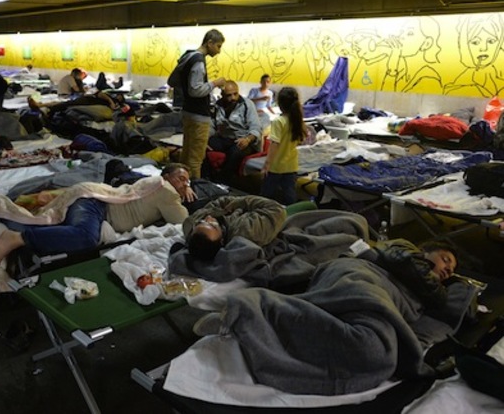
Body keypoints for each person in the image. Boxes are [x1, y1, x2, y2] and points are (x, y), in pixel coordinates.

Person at [192, 240, 464, 396]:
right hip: (360, 278)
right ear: (428, 251)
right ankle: (251, 305)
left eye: (452, 269)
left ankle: (251, 318)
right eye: (445, 260)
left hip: (383, 299)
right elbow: (413, 272)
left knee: (378, 356)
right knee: (373, 349)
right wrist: (439, 287)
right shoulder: (406, 251)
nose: (447, 269)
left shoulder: (426, 284)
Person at [0, 163, 195, 268]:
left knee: (56, 227)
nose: (185, 184)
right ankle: (17, 237)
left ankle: (3, 220)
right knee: (85, 237)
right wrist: (181, 195)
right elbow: (181, 221)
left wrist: (182, 189)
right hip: (95, 204)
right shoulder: (166, 190)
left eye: (188, 181)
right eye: (181, 179)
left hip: (92, 198)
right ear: (166, 176)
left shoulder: (154, 182)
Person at [175, 29, 227, 179]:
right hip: (199, 115)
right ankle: (194, 190)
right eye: (218, 46)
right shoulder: (198, 61)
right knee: (196, 159)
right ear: (209, 43)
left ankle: (179, 186)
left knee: (186, 154)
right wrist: (215, 83)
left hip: (187, 111)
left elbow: (174, 81)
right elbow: (195, 90)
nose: (219, 51)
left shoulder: (187, 55)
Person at [183, 195, 286, 261]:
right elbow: (276, 209)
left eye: (203, 222)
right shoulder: (246, 232)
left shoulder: (192, 224)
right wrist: (242, 202)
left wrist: (233, 203)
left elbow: (221, 201)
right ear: (222, 241)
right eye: (213, 225)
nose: (209, 218)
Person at [260, 86, 306, 205]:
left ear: (280, 104)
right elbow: (301, 140)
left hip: (276, 166)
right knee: (289, 194)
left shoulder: (278, 121)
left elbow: (274, 144)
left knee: (266, 194)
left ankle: (263, 213)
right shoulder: (297, 120)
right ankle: (292, 215)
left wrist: (267, 164)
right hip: (292, 165)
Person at [207, 80, 261, 180]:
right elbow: (212, 126)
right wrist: (205, 139)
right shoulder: (217, 106)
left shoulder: (247, 105)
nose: (233, 98)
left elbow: (256, 127)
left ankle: (223, 180)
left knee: (234, 152)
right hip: (225, 139)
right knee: (202, 146)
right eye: (229, 95)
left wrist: (248, 139)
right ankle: (208, 177)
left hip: (244, 140)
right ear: (222, 95)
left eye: (235, 94)